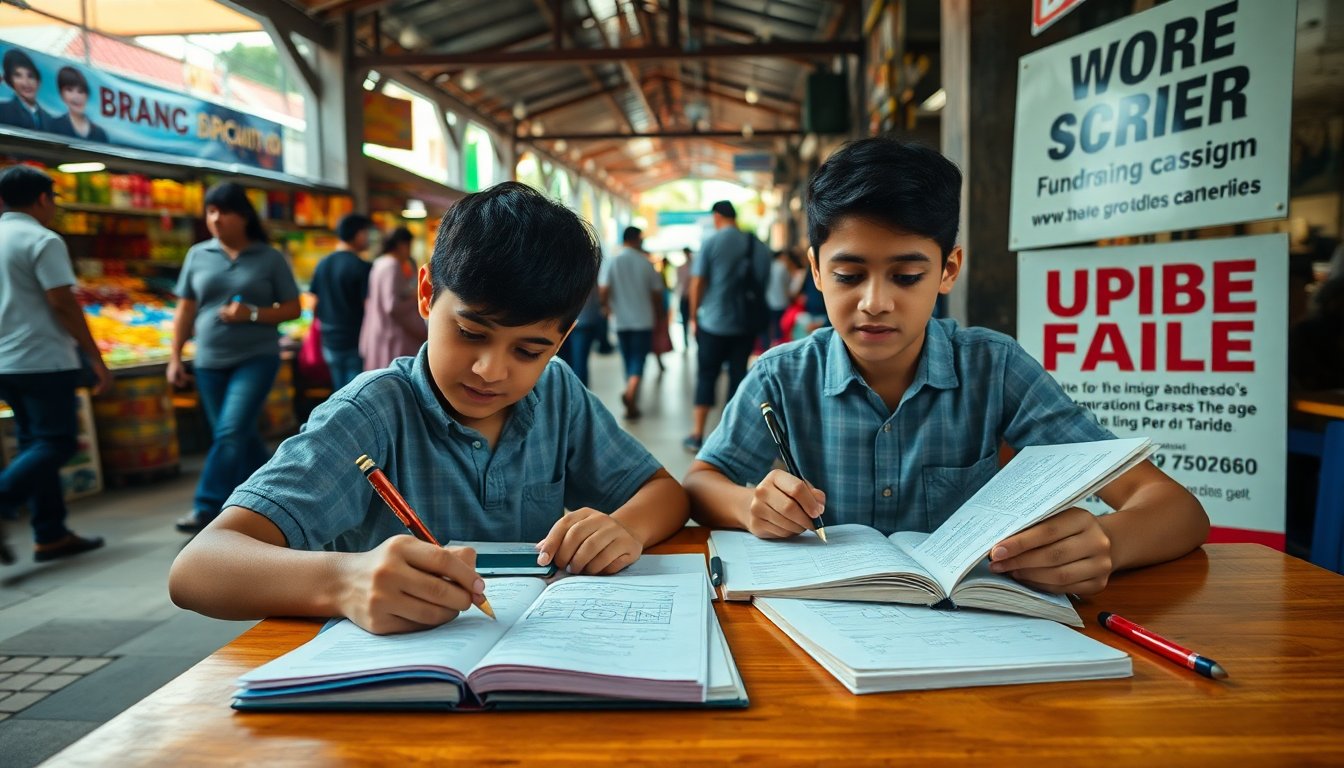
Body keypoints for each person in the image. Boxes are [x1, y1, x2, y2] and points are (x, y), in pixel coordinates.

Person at [682, 137, 1209, 597]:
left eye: (907, 276)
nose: (875, 302)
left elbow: (1175, 509)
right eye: (848, 275)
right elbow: (703, 482)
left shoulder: (993, 368)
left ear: (947, 270)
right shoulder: (782, 375)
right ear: (816, 270)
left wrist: (1108, 542)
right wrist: (749, 504)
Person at [167, 182, 689, 635]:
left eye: (528, 350)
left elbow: (664, 493)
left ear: (562, 339)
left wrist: (626, 528)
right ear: (425, 294)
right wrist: (344, 581)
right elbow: (198, 569)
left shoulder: (555, 393)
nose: (491, 369)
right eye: (469, 333)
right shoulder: (371, 414)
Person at [168, 183, 301, 535]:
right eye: (209, 211)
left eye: (222, 211)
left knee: (229, 432)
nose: (215, 219)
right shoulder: (198, 255)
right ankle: (276, 499)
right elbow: (185, 309)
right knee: (237, 435)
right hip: (209, 360)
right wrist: (175, 357)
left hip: (255, 358)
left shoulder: (269, 257)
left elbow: (293, 307)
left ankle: (206, 506)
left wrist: (252, 314)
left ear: (242, 215)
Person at [0, 165, 111, 563]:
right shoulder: (42, 239)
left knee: (34, 442)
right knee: (57, 441)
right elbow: (62, 302)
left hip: (6, 364)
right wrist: (94, 359)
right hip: (43, 360)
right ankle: (4, 498)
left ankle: (50, 533)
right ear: (43, 199)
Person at [683, 200, 771, 453]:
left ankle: (697, 434)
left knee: (707, 375)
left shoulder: (712, 242)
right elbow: (762, 283)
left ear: (717, 217)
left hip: (713, 323)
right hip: (745, 324)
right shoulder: (758, 245)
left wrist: (693, 316)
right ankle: (730, 437)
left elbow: (697, 282)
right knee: (737, 377)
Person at [599, 226, 665, 419]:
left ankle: (631, 399)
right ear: (635, 239)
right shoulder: (646, 264)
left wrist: (606, 307)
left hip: (620, 321)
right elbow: (656, 295)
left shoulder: (612, 262)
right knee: (639, 359)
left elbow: (603, 290)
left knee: (627, 359)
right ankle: (630, 395)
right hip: (643, 320)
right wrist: (660, 316)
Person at [309, 213, 374, 390]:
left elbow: (314, 304)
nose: (368, 238)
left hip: (329, 340)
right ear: (358, 234)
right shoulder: (362, 267)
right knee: (357, 392)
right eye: (366, 233)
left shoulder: (323, 264)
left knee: (339, 390)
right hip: (355, 340)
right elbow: (368, 307)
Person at [359, 226, 426, 371]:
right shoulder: (392, 265)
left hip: (378, 329)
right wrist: (415, 298)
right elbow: (392, 306)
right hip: (390, 334)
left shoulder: (380, 262)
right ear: (402, 245)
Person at [555, 284, 603, 387]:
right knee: (575, 362)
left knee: (575, 363)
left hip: (578, 320)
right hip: (580, 320)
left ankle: (577, 396)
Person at [49, 67, 108, 143]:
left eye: (81, 91)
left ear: (87, 96)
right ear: (62, 95)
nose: (76, 97)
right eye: (69, 90)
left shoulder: (100, 134)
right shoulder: (54, 126)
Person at [0, 49, 53, 131]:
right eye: (18, 76)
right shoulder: (2, 111)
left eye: (31, 76)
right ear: (10, 81)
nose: (26, 83)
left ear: (38, 81)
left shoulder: (51, 121)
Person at [763, 250, 797, 349]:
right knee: (780, 326)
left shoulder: (768, 266)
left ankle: (768, 346)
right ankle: (779, 347)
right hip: (781, 302)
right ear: (780, 256)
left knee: (769, 326)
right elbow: (788, 283)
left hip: (769, 301)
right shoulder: (782, 267)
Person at [676, 246, 694, 350]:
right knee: (685, 320)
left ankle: (693, 339)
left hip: (691, 298)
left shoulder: (695, 266)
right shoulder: (681, 268)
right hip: (684, 297)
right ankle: (686, 341)